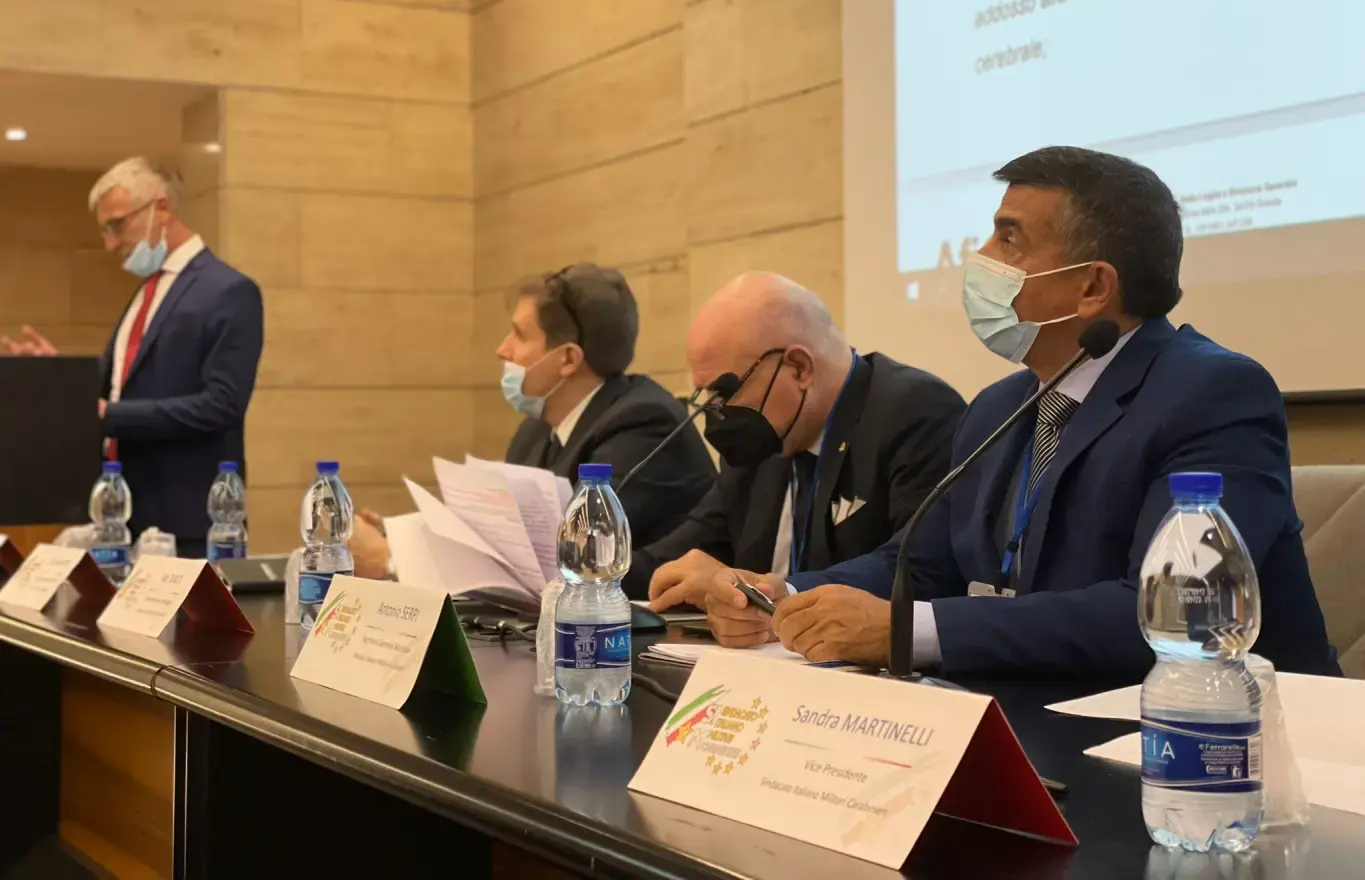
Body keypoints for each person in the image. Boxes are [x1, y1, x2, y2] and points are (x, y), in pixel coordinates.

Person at [669, 146, 1339, 680]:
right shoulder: (1000, 405)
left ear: (1092, 286)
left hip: (1231, 746)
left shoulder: (1214, 393)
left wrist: (908, 631)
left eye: (1008, 241)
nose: (980, 259)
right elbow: (920, 564)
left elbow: (1167, 612)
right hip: (1043, 719)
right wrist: (781, 597)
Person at [350, 264, 716, 579]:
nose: (502, 349)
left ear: (567, 359)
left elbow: (568, 560)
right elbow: (499, 538)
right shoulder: (537, 429)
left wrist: (393, 561)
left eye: (520, 335)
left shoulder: (643, 425)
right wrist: (403, 537)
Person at [634, 273, 965, 600]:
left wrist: (779, 594)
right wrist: (604, 569)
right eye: (705, 395)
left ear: (799, 368)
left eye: (724, 392)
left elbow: (918, 568)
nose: (716, 412)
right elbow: (680, 558)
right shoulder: (758, 447)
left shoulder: (915, 412)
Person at [3, 158, 263, 558]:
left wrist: (108, 414)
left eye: (117, 225)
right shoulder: (146, 292)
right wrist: (62, 378)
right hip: (123, 517)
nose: (110, 244)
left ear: (162, 208)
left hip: (189, 524)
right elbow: (126, 384)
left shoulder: (228, 291)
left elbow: (222, 405)